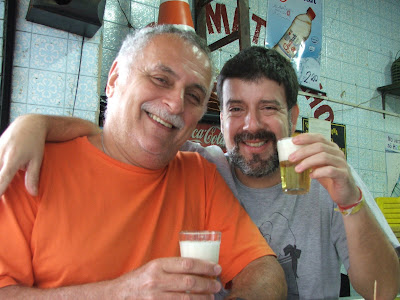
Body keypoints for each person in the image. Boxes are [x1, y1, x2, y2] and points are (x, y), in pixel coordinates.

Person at [0, 46, 399, 299]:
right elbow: (128, 135)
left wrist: (351, 201)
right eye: (235, 108)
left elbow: (387, 290)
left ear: (293, 116)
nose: (251, 125)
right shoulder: (204, 162)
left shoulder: (330, 179)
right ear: (219, 117)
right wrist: (34, 124)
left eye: (270, 108)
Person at [0, 26, 289, 299]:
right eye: (161, 79)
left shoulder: (199, 175)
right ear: (114, 79)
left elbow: (263, 271)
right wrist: (119, 292)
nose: (176, 104)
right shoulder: (28, 164)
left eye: (193, 96)